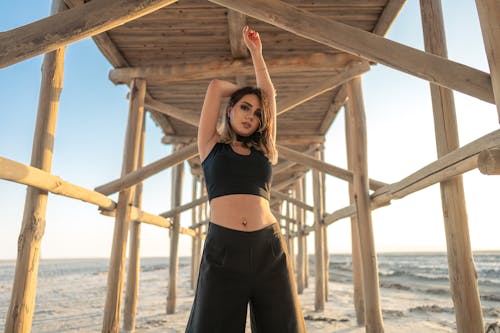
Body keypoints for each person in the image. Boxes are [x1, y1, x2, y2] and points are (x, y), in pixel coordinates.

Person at [185, 26, 306, 333]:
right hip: (224, 252)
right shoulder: (210, 146)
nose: (251, 114)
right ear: (230, 111)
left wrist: (257, 54)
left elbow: (269, 96)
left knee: (283, 328)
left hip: (269, 249)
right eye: (243, 107)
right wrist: (242, 89)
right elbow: (214, 86)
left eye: (255, 111)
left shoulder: (266, 149)